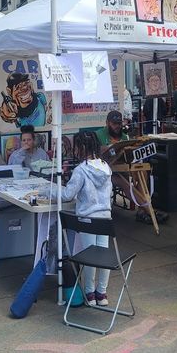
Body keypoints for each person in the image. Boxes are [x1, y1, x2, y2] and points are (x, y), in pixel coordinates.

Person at [61, 130, 113, 307]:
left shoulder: (80, 170)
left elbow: (68, 195)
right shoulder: (106, 167)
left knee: (90, 257)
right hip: (105, 219)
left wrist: (50, 190)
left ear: (81, 148)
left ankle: (89, 293)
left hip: (87, 219)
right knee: (103, 256)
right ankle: (102, 293)